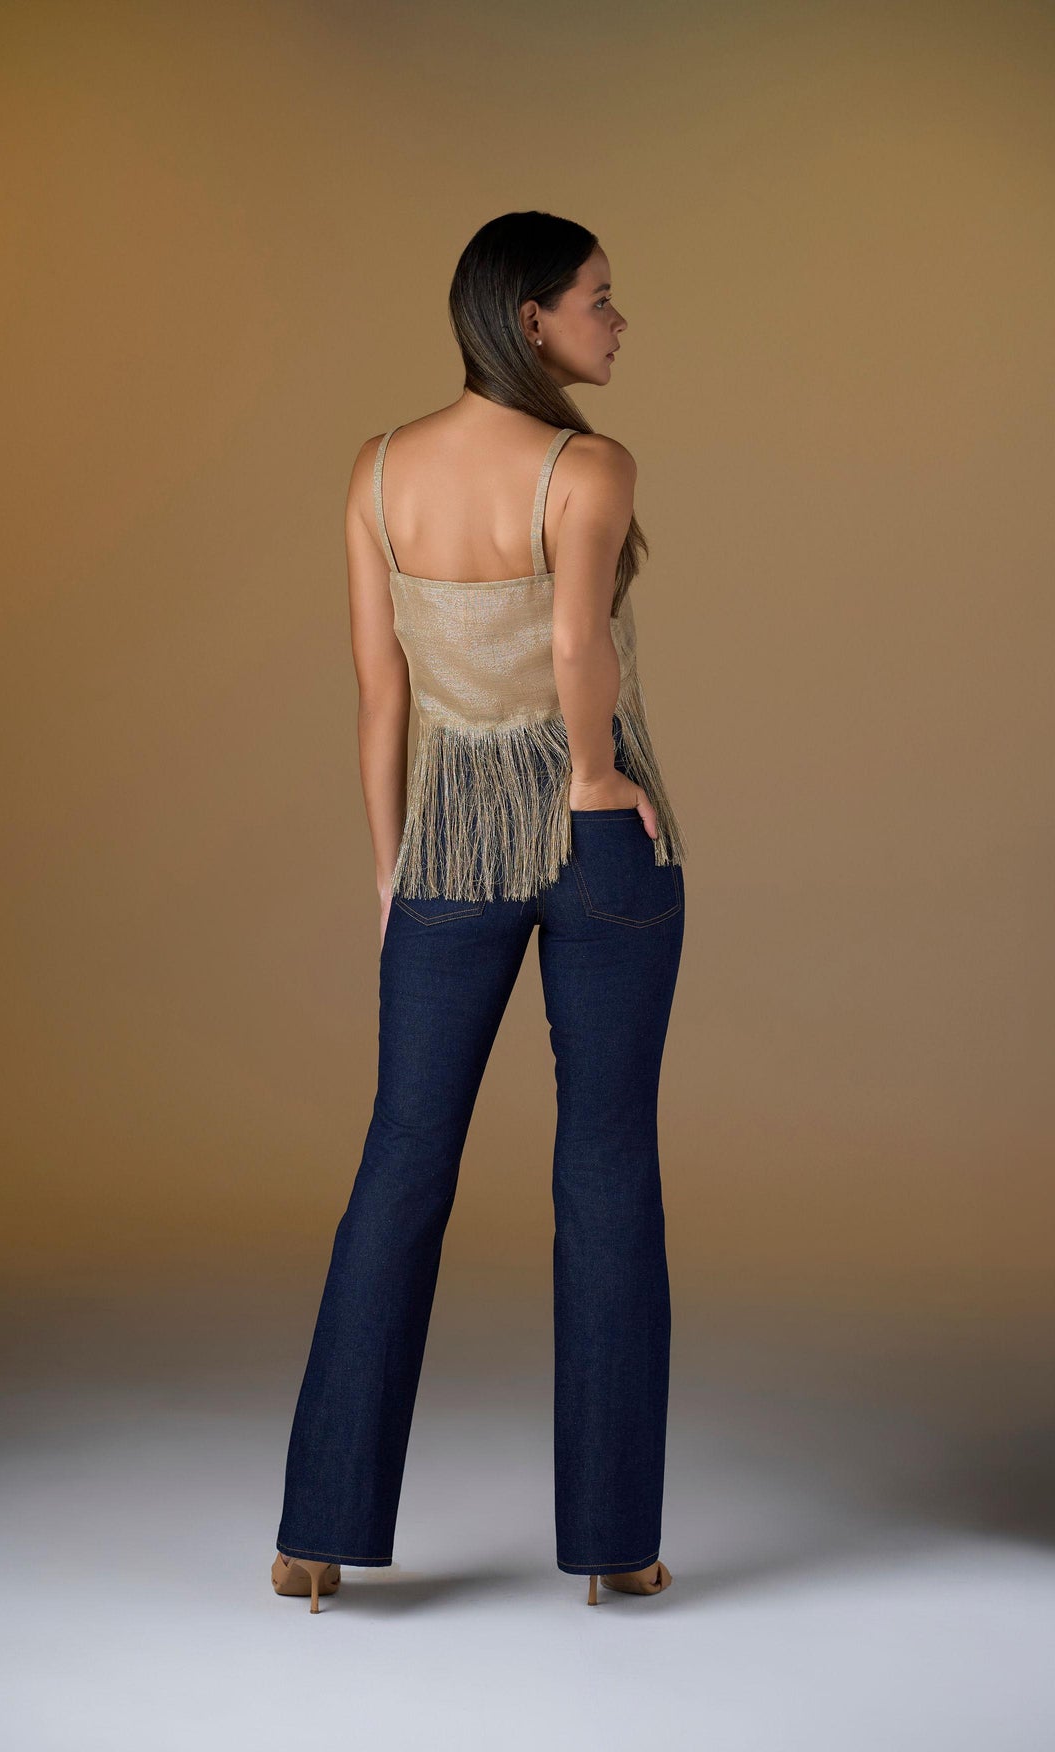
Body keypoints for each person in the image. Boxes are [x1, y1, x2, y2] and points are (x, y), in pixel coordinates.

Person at [271, 210, 687, 1612]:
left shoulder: (379, 469)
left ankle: (317, 1536)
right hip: (595, 835)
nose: (617, 322)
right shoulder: (589, 466)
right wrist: (593, 776)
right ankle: (615, 1546)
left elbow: (378, 686)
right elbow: (575, 646)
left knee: (402, 1160)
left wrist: (390, 867)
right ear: (530, 319)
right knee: (607, 1167)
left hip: (446, 837)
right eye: (598, 299)